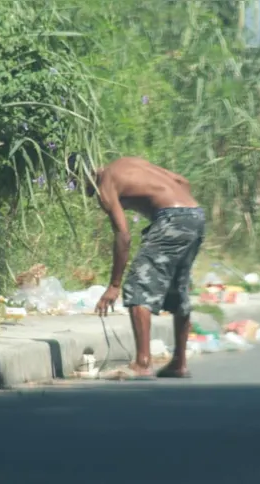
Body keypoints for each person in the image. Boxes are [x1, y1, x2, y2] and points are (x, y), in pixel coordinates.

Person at [69, 155, 205, 378]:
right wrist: (178, 211)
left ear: (84, 175)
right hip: (196, 215)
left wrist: (114, 285)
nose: (79, 190)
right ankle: (179, 363)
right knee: (177, 289)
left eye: (75, 183)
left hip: (171, 218)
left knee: (137, 285)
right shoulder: (128, 162)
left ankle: (143, 362)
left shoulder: (105, 185)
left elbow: (123, 235)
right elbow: (182, 181)